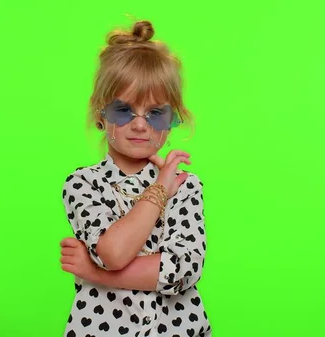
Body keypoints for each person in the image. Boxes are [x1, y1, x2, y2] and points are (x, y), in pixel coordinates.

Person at [59, 20, 211, 337]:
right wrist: (159, 191)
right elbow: (113, 252)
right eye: (123, 110)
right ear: (100, 114)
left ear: (173, 120)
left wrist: (94, 272)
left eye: (156, 113)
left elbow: (182, 271)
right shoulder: (83, 184)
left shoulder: (185, 185)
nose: (140, 125)